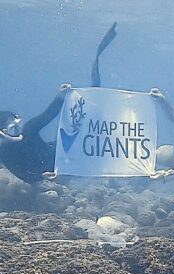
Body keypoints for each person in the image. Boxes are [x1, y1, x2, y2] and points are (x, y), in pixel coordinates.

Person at [0, 22, 117, 184]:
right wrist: (43, 176)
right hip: (55, 170)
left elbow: (48, 115)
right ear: (2, 133)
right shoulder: (2, 152)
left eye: (17, 125)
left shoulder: (29, 130)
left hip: (64, 154)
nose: (18, 131)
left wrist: (61, 96)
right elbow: (26, 174)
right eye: (13, 129)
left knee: (90, 122)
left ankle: (97, 63)